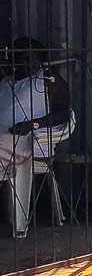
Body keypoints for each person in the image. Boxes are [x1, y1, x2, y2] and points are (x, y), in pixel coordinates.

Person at [1, 37, 73, 238]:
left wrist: (33, 125)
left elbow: (63, 113)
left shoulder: (48, 79)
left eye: (34, 56)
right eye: (24, 57)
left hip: (31, 141)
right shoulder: (7, 82)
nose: (30, 61)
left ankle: (19, 226)